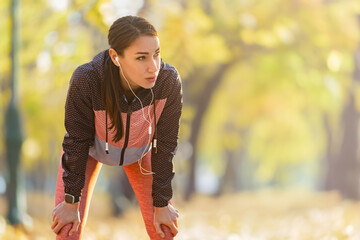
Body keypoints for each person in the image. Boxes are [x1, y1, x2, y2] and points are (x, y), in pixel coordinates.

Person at [51, 15, 182, 240]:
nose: (153, 67)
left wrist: (162, 202)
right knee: (67, 230)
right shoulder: (88, 79)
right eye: (141, 58)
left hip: (141, 152)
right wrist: (71, 202)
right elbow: (76, 141)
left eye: (157, 54)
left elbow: (166, 145)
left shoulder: (167, 81)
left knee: (165, 231)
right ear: (115, 57)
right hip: (88, 150)